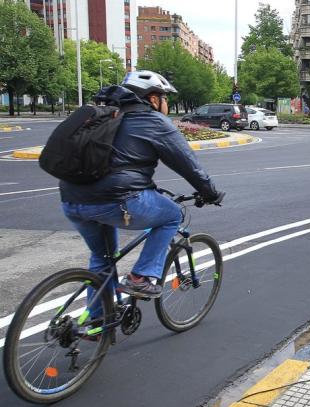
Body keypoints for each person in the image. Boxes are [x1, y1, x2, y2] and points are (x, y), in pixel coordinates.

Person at [60, 70, 225, 317]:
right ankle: (141, 276)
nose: (167, 103)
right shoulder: (153, 121)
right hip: (116, 200)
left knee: (103, 257)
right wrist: (210, 193)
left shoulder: (105, 116)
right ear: (152, 99)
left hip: (72, 198)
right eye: (165, 97)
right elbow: (188, 165)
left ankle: (95, 321)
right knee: (171, 215)